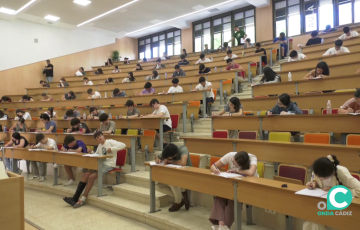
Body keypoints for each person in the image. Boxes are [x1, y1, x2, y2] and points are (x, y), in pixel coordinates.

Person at [63, 131, 126, 208]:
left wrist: (112, 149)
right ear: (96, 140)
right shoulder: (99, 146)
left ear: (103, 136)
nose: (99, 138)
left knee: (91, 177)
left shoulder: (110, 142)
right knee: (85, 175)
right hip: (100, 164)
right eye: (97, 138)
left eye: (100, 136)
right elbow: (97, 155)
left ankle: (82, 199)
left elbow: (123, 145)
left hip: (109, 165)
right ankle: (75, 198)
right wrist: (91, 152)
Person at [303, 155, 360, 230]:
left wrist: (337, 190)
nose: (320, 179)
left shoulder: (341, 172)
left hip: (340, 205)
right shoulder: (317, 169)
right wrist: (314, 183)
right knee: (310, 223)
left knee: (316, 223)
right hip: (323, 203)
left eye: (323, 178)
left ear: (332, 172)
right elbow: (314, 179)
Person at [210, 151, 258, 229]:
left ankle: (224, 227)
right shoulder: (230, 155)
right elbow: (213, 166)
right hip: (234, 183)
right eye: (233, 162)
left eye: (236, 164)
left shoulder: (252, 158)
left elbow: (251, 173)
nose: (234, 164)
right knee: (220, 196)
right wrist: (215, 170)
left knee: (233, 199)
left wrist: (236, 171)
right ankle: (222, 226)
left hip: (248, 185)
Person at [155, 144, 192, 211]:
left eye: (168, 158)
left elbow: (183, 163)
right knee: (157, 185)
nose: (166, 159)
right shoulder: (168, 150)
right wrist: (158, 160)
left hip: (187, 174)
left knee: (172, 181)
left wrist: (170, 161)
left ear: (174, 155)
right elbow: (157, 157)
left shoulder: (183, 149)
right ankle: (182, 197)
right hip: (173, 174)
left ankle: (178, 202)